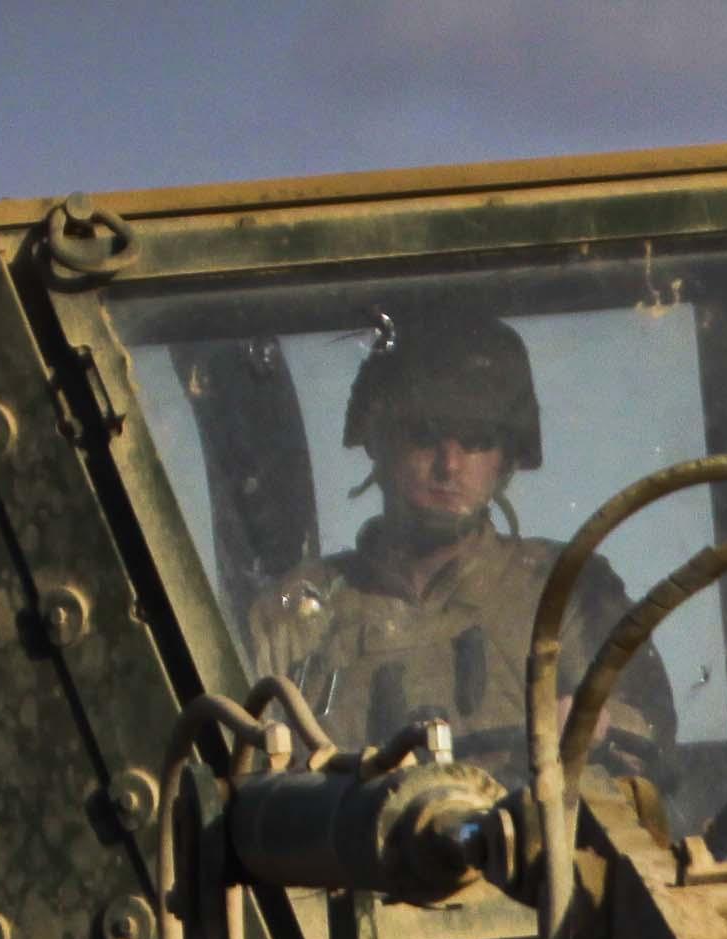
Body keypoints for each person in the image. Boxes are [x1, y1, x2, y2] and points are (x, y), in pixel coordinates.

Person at [241, 308, 672, 766]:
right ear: (377, 440)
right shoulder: (293, 614)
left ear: (505, 460)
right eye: (425, 435)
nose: (449, 465)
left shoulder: (564, 594)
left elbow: (650, 740)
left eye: (476, 439)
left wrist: (598, 724)